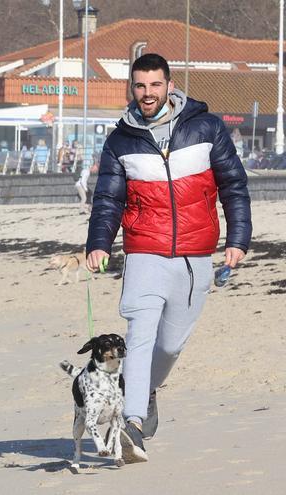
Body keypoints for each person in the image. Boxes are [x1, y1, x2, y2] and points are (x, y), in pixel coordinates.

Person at [85, 53, 251, 464]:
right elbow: (108, 198)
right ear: (132, 88)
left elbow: (233, 185)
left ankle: (147, 388)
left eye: (154, 85)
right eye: (140, 86)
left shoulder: (206, 127)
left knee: (171, 345)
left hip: (196, 257)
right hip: (144, 251)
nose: (147, 94)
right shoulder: (120, 140)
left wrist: (238, 238)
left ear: (169, 86)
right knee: (139, 337)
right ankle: (134, 423)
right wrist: (99, 242)